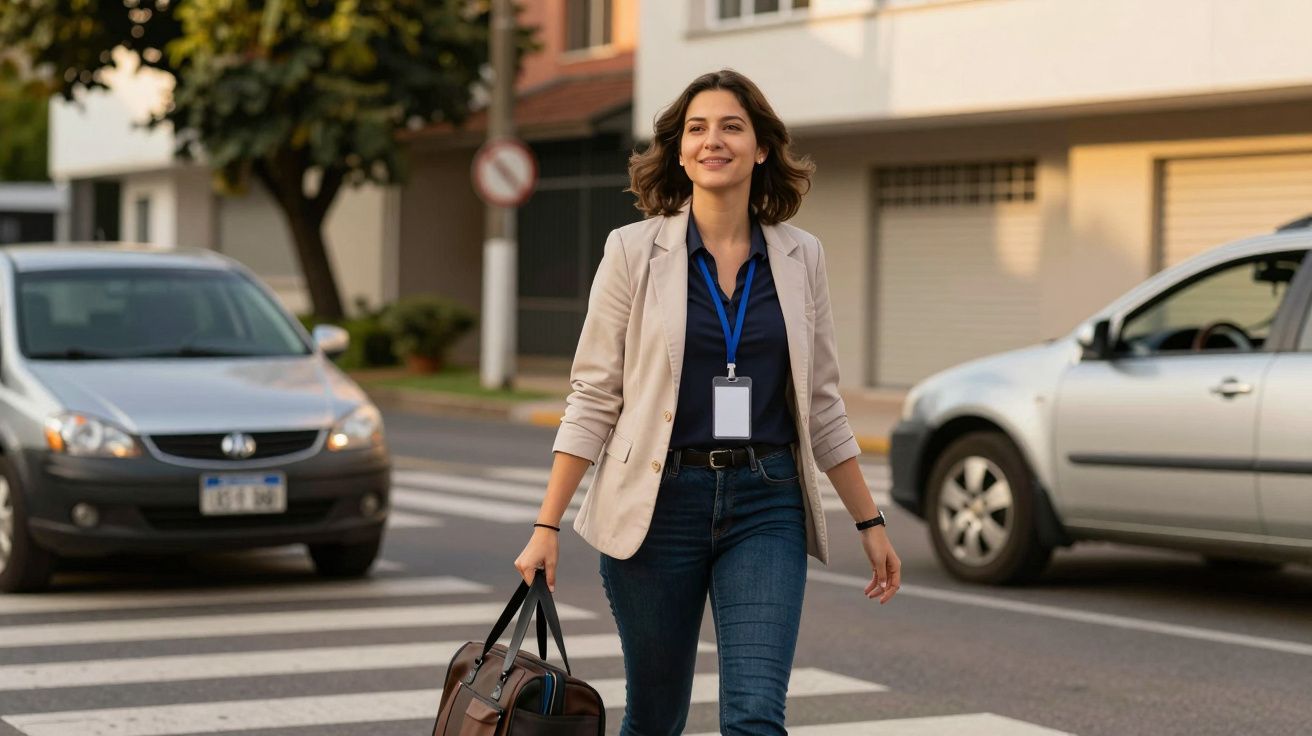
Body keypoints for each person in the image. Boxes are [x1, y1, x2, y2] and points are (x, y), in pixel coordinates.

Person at [514, 68, 901, 736]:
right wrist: (546, 525)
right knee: (656, 716)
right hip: (657, 504)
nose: (711, 140)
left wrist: (871, 524)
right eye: (697, 128)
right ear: (679, 148)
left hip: (766, 498)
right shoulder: (633, 251)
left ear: (760, 148)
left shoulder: (800, 256)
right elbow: (594, 394)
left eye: (730, 126)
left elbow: (821, 402)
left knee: (755, 715)